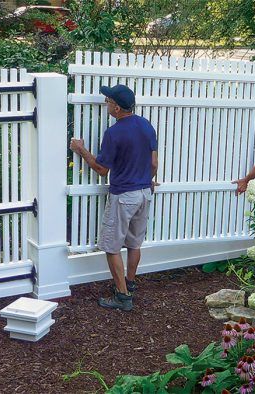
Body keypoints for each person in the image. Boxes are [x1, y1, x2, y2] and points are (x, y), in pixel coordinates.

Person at [69, 84, 158, 312]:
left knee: (112, 246)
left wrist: (81, 149)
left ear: (117, 108)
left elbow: (101, 169)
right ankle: (130, 282)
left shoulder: (114, 133)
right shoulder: (146, 125)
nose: (106, 104)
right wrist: (146, 179)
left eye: (108, 101)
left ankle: (122, 296)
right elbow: (154, 163)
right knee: (135, 243)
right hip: (144, 194)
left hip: (124, 195)